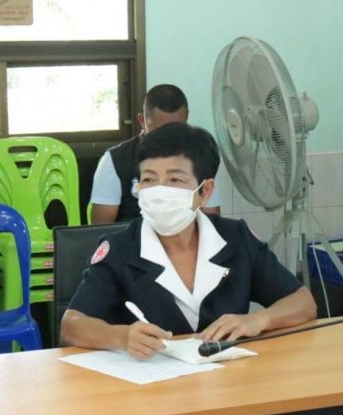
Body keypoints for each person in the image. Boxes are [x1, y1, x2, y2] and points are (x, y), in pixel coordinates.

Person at [61, 122, 316, 359]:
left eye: (174, 180)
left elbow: (303, 302)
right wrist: (121, 337)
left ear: (205, 191)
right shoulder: (120, 248)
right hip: (150, 382)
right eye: (148, 179)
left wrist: (258, 320)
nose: (159, 191)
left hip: (228, 380)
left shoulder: (236, 239)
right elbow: (71, 326)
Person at [90, 84, 222, 224]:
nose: (168, 138)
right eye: (149, 179)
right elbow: (102, 229)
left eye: (176, 129)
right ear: (142, 121)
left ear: (186, 118)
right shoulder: (115, 160)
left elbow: (212, 223)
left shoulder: (201, 157)